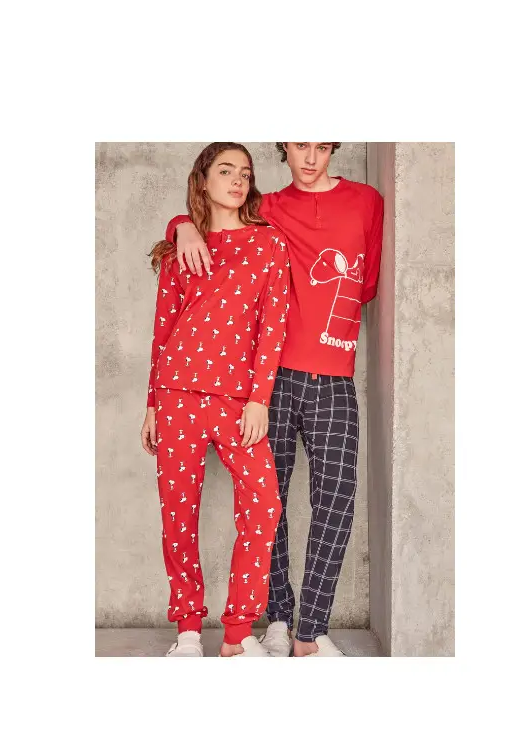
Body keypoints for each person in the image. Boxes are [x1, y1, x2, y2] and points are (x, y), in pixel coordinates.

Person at [166, 142, 384, 657]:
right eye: (300, 144)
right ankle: (278, 620)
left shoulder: (367, 202)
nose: (311, 157)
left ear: (334, 146)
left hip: (333, 375)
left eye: (322, 146)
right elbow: (212, 212)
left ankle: (312, 631)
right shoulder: (266, 207)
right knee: (271, 502)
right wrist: (182, 225)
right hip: (272, 378)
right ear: (284, 146)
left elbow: (366, 285)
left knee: (335, 500)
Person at [141, 142, 291, 657]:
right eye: (225, 171)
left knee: (264, 504)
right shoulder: (181, 248)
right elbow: (163, 331)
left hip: (236, 400)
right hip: (176, 393)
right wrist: (152, 404)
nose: (237, 180)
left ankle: (237, 633)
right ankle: (187, 628)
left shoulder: (269, 244)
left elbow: (273, 327)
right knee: (177, 516)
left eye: (245, 173)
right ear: (202, 180)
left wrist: (259, 399)